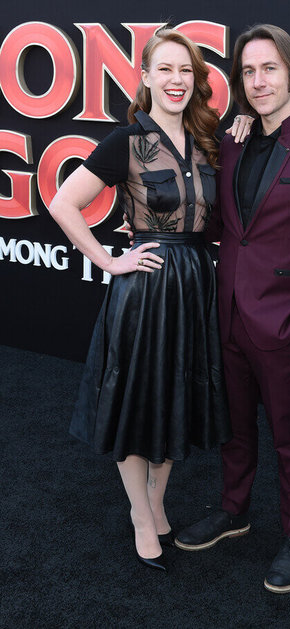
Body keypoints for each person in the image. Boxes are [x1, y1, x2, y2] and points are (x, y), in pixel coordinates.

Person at [175, 24, 290, 594]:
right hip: (228, 315)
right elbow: (219, 224)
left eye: (269, 69)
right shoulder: (232, 141)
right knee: (233, 428)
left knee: (288, 436)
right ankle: (234, 510)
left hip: (283, 324)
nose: (258, 81)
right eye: (249, 71)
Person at [49, 28, 234, 572]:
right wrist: (110, 262)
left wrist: (244, 125)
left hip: (194, 283)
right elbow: (63, 204)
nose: (176, 80)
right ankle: (139, 512)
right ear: (147, 77)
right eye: (166, 69)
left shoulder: (208, 141)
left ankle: (156, 501)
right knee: (137, 401)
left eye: (186, 70)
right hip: (147, 289)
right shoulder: (125, 142)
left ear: (195, 81)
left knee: (175, 394)